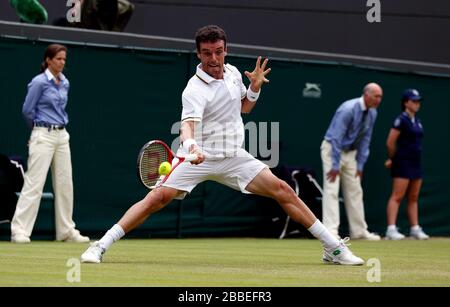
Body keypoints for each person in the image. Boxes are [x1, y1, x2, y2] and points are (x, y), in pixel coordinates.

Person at [81, 25, 364, 265]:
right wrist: (191, 147)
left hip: (234, 157)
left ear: (225, 49)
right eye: (207, 53)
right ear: (199, 53)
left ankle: (333, 248)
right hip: (196, 157)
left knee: (284, 190)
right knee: (155, 200)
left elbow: (245, 109)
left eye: (218, 51)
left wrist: (254, 87)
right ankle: (100, 246)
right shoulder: (194, 88)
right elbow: (188, 125)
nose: (213, 58)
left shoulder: (231, 73)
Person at [10, 44, 89, 244]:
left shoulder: (65, 83)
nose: (62, 62)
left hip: (62, 136)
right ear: (48, 60)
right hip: (42, 134)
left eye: (64, 59)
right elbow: (27, 110)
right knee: (34, 184)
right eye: (58, 59)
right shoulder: (38, 82)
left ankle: (66, 231)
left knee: (65, 184)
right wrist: (36, 130)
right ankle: (19, 231)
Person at [321, 83, 383, 241]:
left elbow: (365, 139)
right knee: (331, 190)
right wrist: (335, 165)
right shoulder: (348, 109)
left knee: (355, 190)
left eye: (380, 97)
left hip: (351, 154)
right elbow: (335, 138)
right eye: (376, 96)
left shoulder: (373, 113)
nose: (379, 100)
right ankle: (331, 232)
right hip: (332, 150)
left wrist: (360, 165)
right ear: (366, 95)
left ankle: (359, 231)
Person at [384, 89, 429, 240]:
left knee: (414, 197)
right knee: (397, 196)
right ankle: (391, 229)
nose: (417, 104)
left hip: (416, 163)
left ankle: (415, 228)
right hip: (403, 163)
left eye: (418, 101)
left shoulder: (418, 120)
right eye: (414, 101)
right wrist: (393, 158)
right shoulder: (401, 120)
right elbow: (390, 143)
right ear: (406, 103)